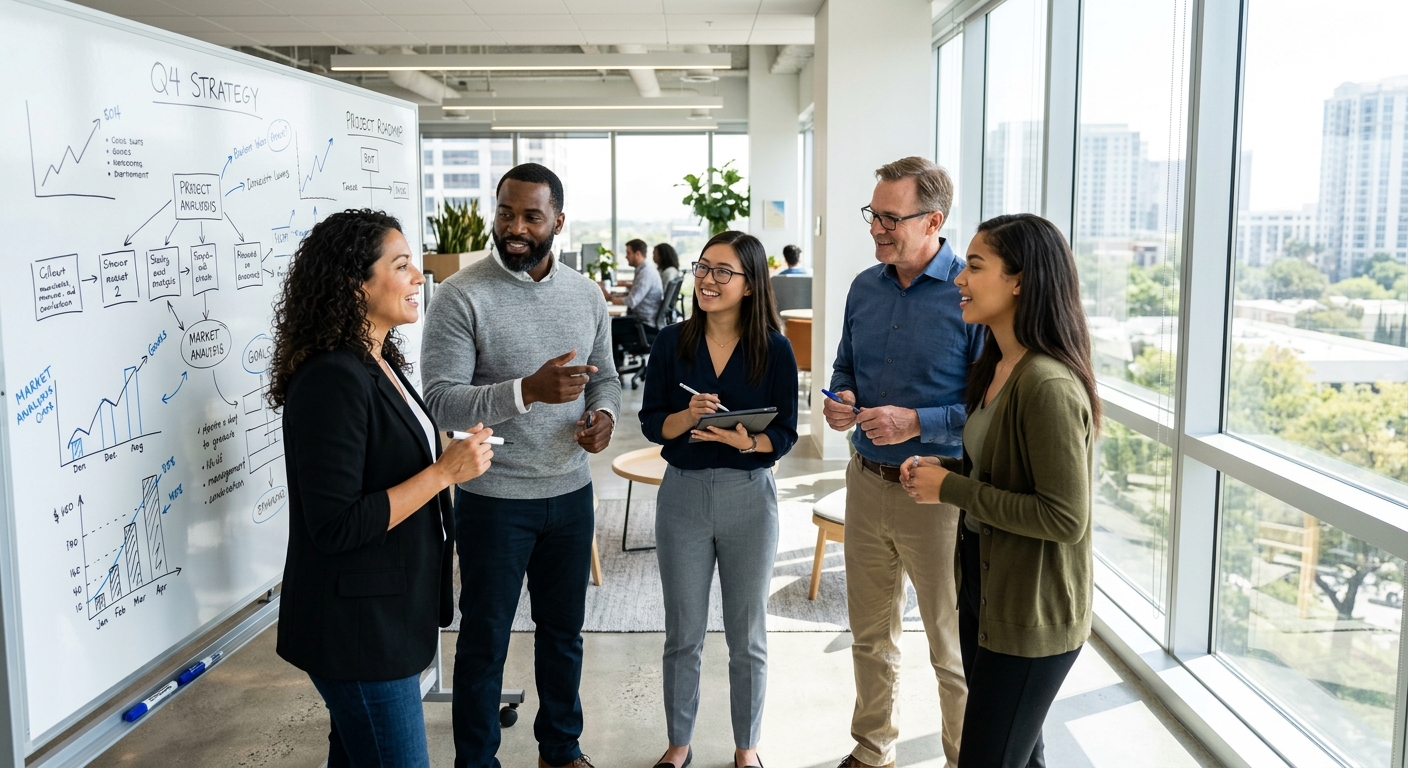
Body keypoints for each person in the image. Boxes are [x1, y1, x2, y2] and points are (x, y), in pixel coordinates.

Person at [270, 209, 495, 768]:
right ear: (355, 284)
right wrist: (445, 473)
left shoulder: (377, 359)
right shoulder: (331, 378)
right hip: (358, 632)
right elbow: (337, 523)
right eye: (401, 265)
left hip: (387, 614)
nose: (419, 276)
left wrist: (449, 457)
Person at [422, 164, 621, 768]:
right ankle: (477, 760)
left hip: (570, 495)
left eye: (531, 216)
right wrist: (526, 391)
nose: (514, 227)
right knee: (484, 641)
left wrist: (604, 417)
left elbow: (605, 378)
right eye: (505, 213)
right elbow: (441, 397)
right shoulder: (462, 295)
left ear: (558, 221)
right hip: (493, 499)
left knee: (563, 635)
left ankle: (561, 749)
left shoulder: (586, 295)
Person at [900, 213, 1097, 768]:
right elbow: (998, 467)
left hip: (1031, 614)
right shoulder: (997, 365)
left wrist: (953, 490)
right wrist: (945, 469)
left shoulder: (1048, 384)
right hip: (988, 596)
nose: (960, 278)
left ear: (1020, 281)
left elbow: (1064, 518)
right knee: (1019, 755)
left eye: (976, 266)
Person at [822, 157, 982, 768]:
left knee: (951, 646)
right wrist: (844, 403)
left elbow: (989, 407)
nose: (876, 228)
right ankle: (872, 750)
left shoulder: (969, 292)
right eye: (873, 215)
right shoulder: (865, 286)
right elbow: (844, 368)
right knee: (870, 636)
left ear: (933, 219)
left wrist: (917, 422)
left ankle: (961, 758)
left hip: (938, 495)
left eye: (891, 217)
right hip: (866, 483)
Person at [639, 231, 799, 768]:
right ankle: (679, 744)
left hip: (749, 499)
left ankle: (746, 748)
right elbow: (652, 424)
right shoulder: (671, 343)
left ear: (751, 285)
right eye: (704, 268)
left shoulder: (774, 349)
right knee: (682, 632)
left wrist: (747, 441)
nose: (708, 279)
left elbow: (788, 433)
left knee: (746, 635)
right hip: (682, 497)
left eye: (723, 271)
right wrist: (687, 419)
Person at [606, 237, 664, 326]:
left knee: (606, 327)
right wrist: (614, 295)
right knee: (608, 323)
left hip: (643, 323)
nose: (626, 256)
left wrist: (609, 298)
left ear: (637, 254)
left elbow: (631, 301)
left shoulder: (646, 272)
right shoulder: (644, 269)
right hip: (640, 320)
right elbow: (635, 293)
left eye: (628, 253)